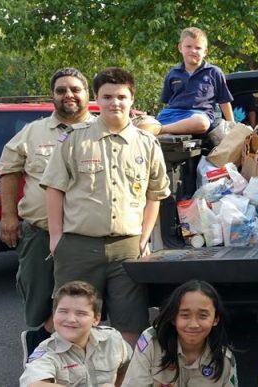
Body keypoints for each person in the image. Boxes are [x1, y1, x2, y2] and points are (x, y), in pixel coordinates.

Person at [40, 67, 171, 346]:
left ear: (132, 99)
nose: (115, 103)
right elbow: (54, 189)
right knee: (73, 321)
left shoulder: (147, 144)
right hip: (78, 245)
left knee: (131, 323)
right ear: (97, 100)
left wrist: (145, 237)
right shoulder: (75, 138)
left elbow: (155, 194)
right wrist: (56, 238)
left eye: (121, 96)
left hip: (127, 247)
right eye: (107, 96)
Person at [0, 67, 95, 362]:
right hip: (40, 233)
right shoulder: (33, 132)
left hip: (84, 236)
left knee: (82, 302)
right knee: (40, 300)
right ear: (53, 95)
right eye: (61, 90)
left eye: (75, 89)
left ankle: (68, 356)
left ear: (86, 94)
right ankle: (40, 349)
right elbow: (9, 170)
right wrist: (8, 216)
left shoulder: (101, 129)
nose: (69, 95)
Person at [121, 280, 238, 386]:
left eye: (203, 316)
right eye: (185, 315)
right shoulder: (151, 343)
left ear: (215, 319)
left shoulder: (224, 360)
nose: (193, 324)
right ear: (173, 317)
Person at [19, 281, 133, 387]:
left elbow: (128, 368)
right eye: (63, 311)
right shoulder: (47, 351)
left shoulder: (112, 339)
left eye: (81, 313)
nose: (71, 319)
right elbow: (34, 384)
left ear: (96, 319)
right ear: (54, 314)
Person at [157, 27, 234, 135]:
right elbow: (167, 102)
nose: (193, 51)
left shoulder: (214, 72)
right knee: (144, 122)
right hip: (172, 115)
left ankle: (161, 130)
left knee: (202, 123)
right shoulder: (172, 73)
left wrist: (232, 125)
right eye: (188, 46)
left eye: (198, 48)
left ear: (205, 52)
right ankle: (157, 129)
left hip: (198, 116)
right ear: (180, 48)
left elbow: (224, 101)